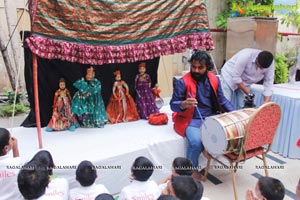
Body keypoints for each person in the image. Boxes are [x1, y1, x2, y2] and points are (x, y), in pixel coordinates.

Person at [170, 50, 234, 179]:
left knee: (228, 134)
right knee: (196, 142)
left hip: (211, 117)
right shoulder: (183, 82)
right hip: (190, 119)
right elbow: (173, 105)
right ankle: (191, 170)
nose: (196, 70)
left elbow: (222, 99)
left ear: (207, 68)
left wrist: (234, 113)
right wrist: (183, 104)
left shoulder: (214, 79)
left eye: (200, 67)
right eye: (193, 67)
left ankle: (211, 154)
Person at [0, 128, 23, 200]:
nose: (12, 140)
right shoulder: (15, 163)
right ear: (6, 148)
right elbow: (18, 162)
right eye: (10, 139)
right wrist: (15, 148)